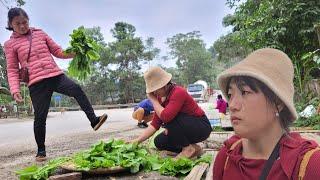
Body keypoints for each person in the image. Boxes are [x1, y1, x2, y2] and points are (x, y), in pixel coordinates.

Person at [4, 7, 108, 162]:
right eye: (17, 23)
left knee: (77, 89)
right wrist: (15, 89)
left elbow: (58, 51)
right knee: (40, 117)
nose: (22, 26)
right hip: (36, 83)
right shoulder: (10, 44)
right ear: (11, 24)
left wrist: (74, 52)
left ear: (28, 20)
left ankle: (94, 120)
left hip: (55, 75)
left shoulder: (40, 33)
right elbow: (12, 69)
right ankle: (41, 150)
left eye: (24, 22)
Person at [212, 48, 320, 179]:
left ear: (278, 102)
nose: (233, 105)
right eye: (230, 94)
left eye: (245, 92)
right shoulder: (226, 157)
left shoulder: (308, 165)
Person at [131, 67, 212, 159]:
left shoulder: (178, 92)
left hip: (200, 127)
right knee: (159, 141)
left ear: (165, 85)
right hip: (184, 128)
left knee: (169, 118)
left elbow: (166, 116)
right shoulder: (159, 98)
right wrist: (137, 141)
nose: (154, 93)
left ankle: (187, 149)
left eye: (156, 89)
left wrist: (153, 100)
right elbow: (155, 124)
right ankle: (194, 148)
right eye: (152, 91)